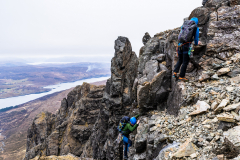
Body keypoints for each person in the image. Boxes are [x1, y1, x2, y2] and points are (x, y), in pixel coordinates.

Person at [173, 17, 201, 82]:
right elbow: (196, 39)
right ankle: (181, 76)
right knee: (185, 62)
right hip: (186, 46)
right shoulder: (195, 28)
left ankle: (175, 73)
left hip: (180, 45)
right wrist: (197, 43)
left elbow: (180, 35)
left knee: (180, 60)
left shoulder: (184, 25)